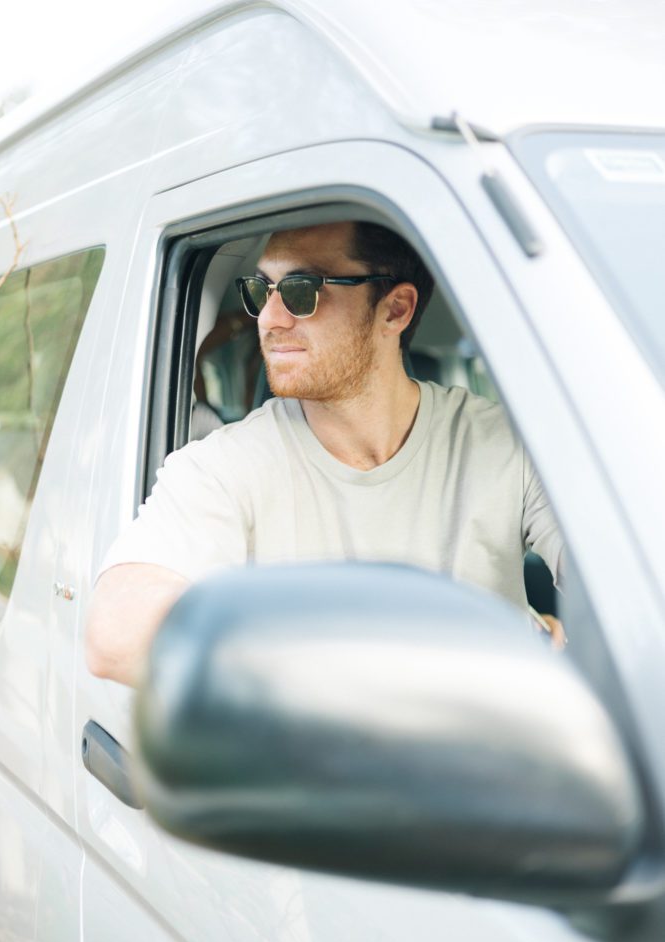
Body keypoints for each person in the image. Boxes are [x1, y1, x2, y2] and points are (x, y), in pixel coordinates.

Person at [86, 220, 565, 687]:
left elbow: (623, 580)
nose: (269, 318)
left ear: (395, 310)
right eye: (261, 289)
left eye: (302, 290)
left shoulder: (504, 444)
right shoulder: (224, 467)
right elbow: (116, 635)